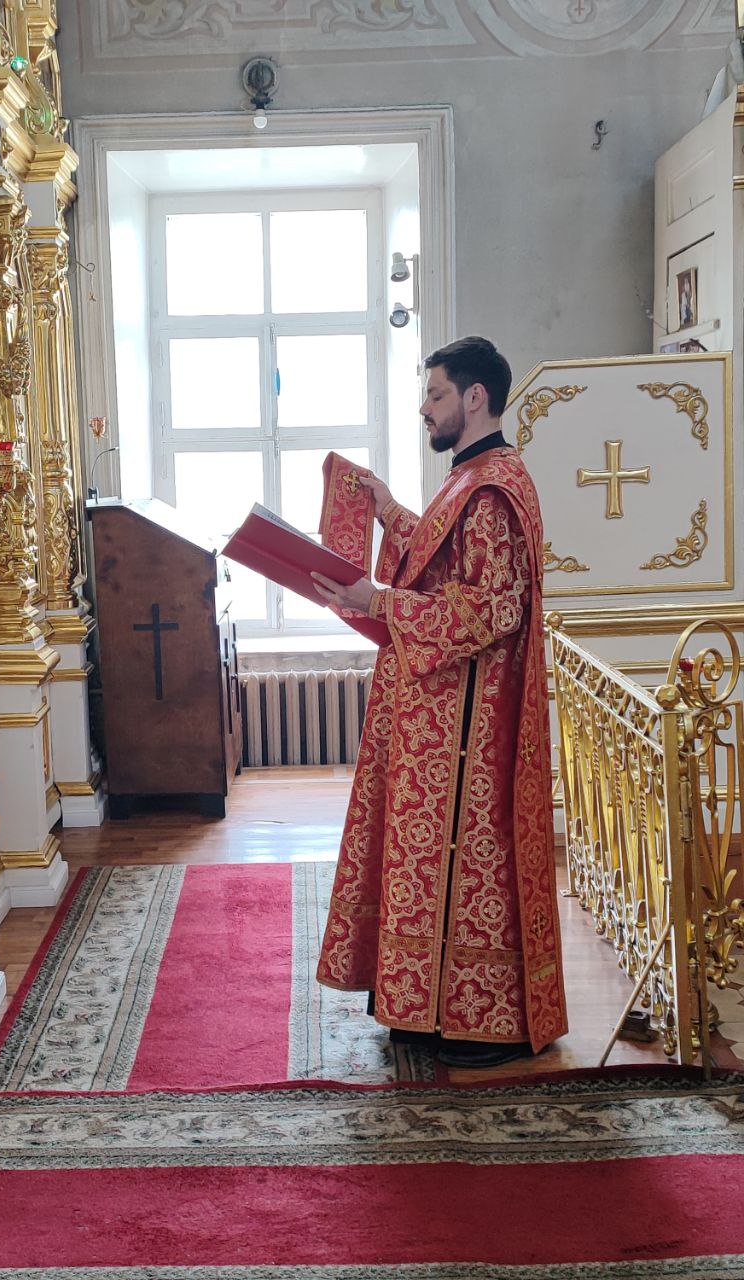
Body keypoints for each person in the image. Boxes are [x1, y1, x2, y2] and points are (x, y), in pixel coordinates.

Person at [311, 336, 567, 1068]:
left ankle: (473, 1021)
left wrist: (377, 600)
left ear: (475, 397)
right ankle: (421, 1007)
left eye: (436, 395)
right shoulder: (471, 477)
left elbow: (493, 607)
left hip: (470, 732)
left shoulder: (492, 489)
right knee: (421, 865)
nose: (425, 409)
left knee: (462, 866)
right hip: (439, 718)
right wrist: (388, 510)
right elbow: (440, 556)